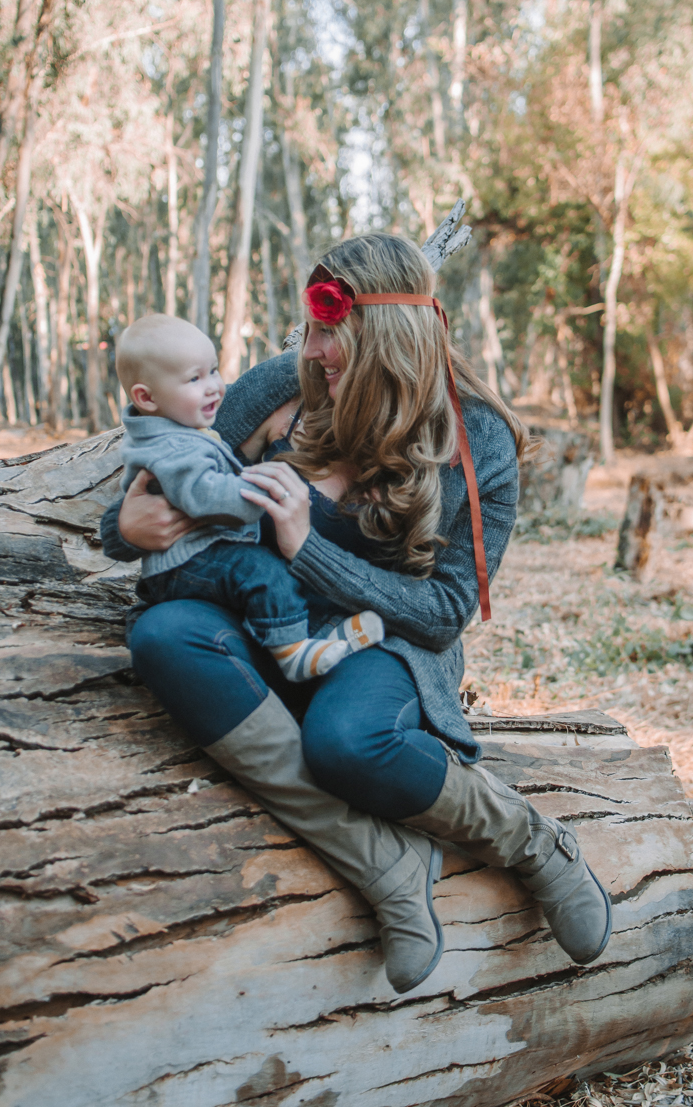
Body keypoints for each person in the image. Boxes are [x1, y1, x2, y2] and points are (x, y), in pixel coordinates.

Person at [101, 234, 611, 995]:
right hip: (264, 623)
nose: (309, 350)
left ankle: (534, 844)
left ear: (386, 334)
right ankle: (385, 865)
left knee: (347, 740)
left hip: (386, 644)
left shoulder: (476, 438)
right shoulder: (281, 389)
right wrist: (123, 528)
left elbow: (443, 611)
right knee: (162, 634)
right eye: (307, 331)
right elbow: (168, 464)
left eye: (326, 333)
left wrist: (306, 548)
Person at [115, 313, 384, 682]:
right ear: (147, 398)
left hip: (204, 557)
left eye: (213, 371)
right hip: (188, 562)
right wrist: (262, 493)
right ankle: (293, 652)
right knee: (261, 572)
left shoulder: (186, 429)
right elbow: (204, 494)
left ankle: (308, 640)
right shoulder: (174, 442)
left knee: (260, 573)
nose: (214, 387)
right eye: (195, 378)